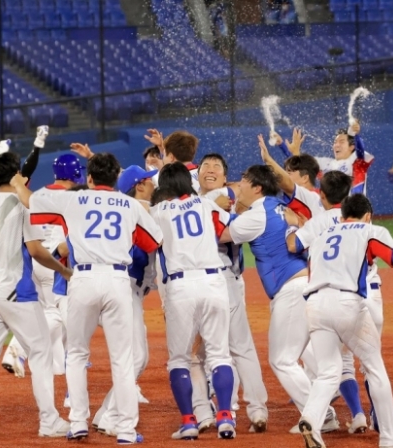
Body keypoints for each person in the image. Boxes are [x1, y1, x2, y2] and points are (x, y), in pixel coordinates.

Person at [19, 153, 163, 444]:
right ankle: (125, 430)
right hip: (117, 280)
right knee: (122, 359)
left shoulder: (73, 198)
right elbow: (154, 241)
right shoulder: (130, 204)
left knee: (76, 354)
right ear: (115, 179)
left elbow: (31, 201)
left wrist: (15, 180)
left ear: (89, 178)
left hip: (81, 278)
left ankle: (78, 423)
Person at [298, 194, 393, 448]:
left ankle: (311, 422)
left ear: (342, 215)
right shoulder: (369, 230)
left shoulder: (322, 237)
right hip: (346, 304)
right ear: (367, 215)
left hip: (314, 305)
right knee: (374, 367)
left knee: (327, 372)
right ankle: (389, 438)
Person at [219, 165, 339, 434]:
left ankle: (320, 415)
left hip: (292, 290)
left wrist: (223, 209)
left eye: (244, 182)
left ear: (257, 188)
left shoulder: (257, 213)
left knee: (282, 359)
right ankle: (329, 401)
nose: (239, 187)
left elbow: (222, 235)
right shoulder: (280, 205)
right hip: (308, 284)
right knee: (299, 353)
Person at [0, 151, 72, 439]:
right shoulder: (25, 208)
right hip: (17, 293)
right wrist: (63, 271)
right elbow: (36, 250)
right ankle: (49, 421)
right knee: (40, 352)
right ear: (17, 176)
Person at [152, 162, 237, 440]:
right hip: (215, 281)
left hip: (181, 285)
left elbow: (149, 242)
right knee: (219, 354)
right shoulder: (207, 204)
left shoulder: (159, 211)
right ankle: (226, 416)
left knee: (180, 359)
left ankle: (189, 421)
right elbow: (227, 229)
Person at [285, 171, 369, 434]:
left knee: (333, 368)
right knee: (370, 364)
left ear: (321, 194)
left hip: (326, 300)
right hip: (363, 297)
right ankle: (373, 418)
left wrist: (293, 226)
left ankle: (324, 418)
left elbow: (292, 245)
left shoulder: (318, 221)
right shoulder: (362, 222)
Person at [195, 153, 269, 433]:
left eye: (217, 167)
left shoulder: (230, 197)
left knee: (238, 346)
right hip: (195, 284)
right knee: (201, 353)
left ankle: (256, 408)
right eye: (205, 166)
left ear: (226, 177)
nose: (210, 170)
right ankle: (207, 409)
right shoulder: (196, 199)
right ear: (197, 174)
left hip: (224, 278)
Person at [2, 151, 85, 380]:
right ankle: (16, 351)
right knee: (57, 315)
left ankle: (59, 364)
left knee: (51, 312)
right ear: (75, 173)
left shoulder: (38, 194)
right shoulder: (73, 197)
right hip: (56, 262)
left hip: (36, 259)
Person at [92, 165, 158, 436]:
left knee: (129, 356)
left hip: (107, 286)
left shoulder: (121, 208)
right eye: (149, 181)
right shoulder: (139, 210)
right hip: (123, 288)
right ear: (140, 185)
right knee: (136, 357)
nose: (154, 184)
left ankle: (103, 413)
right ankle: (111, 416)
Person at [288, 122, 374, 196]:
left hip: (354, 212)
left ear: (352, 147)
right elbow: (303, 166)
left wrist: (356, 136)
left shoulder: (356, 161)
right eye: (335, 142)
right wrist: (295, 151)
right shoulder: (325, 164)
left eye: (341, 142)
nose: (336, 145)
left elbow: (360, 151)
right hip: (332, 212)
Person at [259, 134, 324, 219]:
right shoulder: (320, 195)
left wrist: (268, 160)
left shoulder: (309, 196)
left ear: (305, 178)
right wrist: (292, 152)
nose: (286, 175)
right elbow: (298, 171)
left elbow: (287, 182)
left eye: (289, 173)